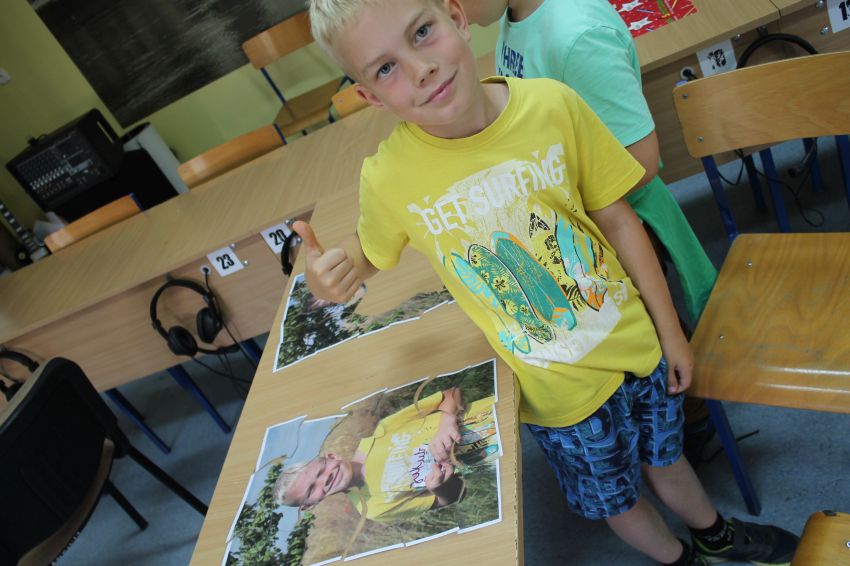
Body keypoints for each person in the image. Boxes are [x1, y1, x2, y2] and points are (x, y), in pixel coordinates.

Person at [296, 0, 798, 564]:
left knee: (667, 456)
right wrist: (332, 272)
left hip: (635, 346)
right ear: (369, 95)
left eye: (422, 32)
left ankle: (714, 536)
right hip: (558, 394)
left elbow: (619, 220)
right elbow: (366, 252)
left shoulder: (552, 105)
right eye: (385, 68)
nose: (420, 69)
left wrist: (670, 333)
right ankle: (679, 561)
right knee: (615, 497)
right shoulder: (389, 177)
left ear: (456, 17)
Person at [460, 0, 717, 325]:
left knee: (653, 339)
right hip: (578, 223)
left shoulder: (575, 37)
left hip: (616, 229)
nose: (452, 10)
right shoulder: (517, 15)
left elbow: (641, 161)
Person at [275, 387, 498, 522]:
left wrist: (445, 420)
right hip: (496, 454)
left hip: (495, 411)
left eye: (320, 471)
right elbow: (453, 497)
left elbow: (452, 393)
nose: (325, 479)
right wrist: (440, 488)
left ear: (332, 456)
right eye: (311, 490)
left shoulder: (382, 431)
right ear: (310, 505)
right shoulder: (373, 509)